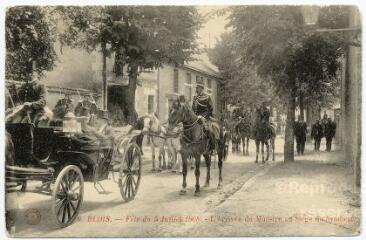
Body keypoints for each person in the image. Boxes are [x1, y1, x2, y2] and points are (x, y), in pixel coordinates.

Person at [192, 78, 218, 154]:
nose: (196, 89)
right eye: (196, 88)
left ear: (201, 88)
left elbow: (210, 109)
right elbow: (192, 109)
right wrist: (193, 116)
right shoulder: (195, 98)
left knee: (209, 131)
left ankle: (212, 147)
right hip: (196, 118)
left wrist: (203, 116)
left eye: (198, 88)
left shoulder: (207, 97)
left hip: (206, 118)